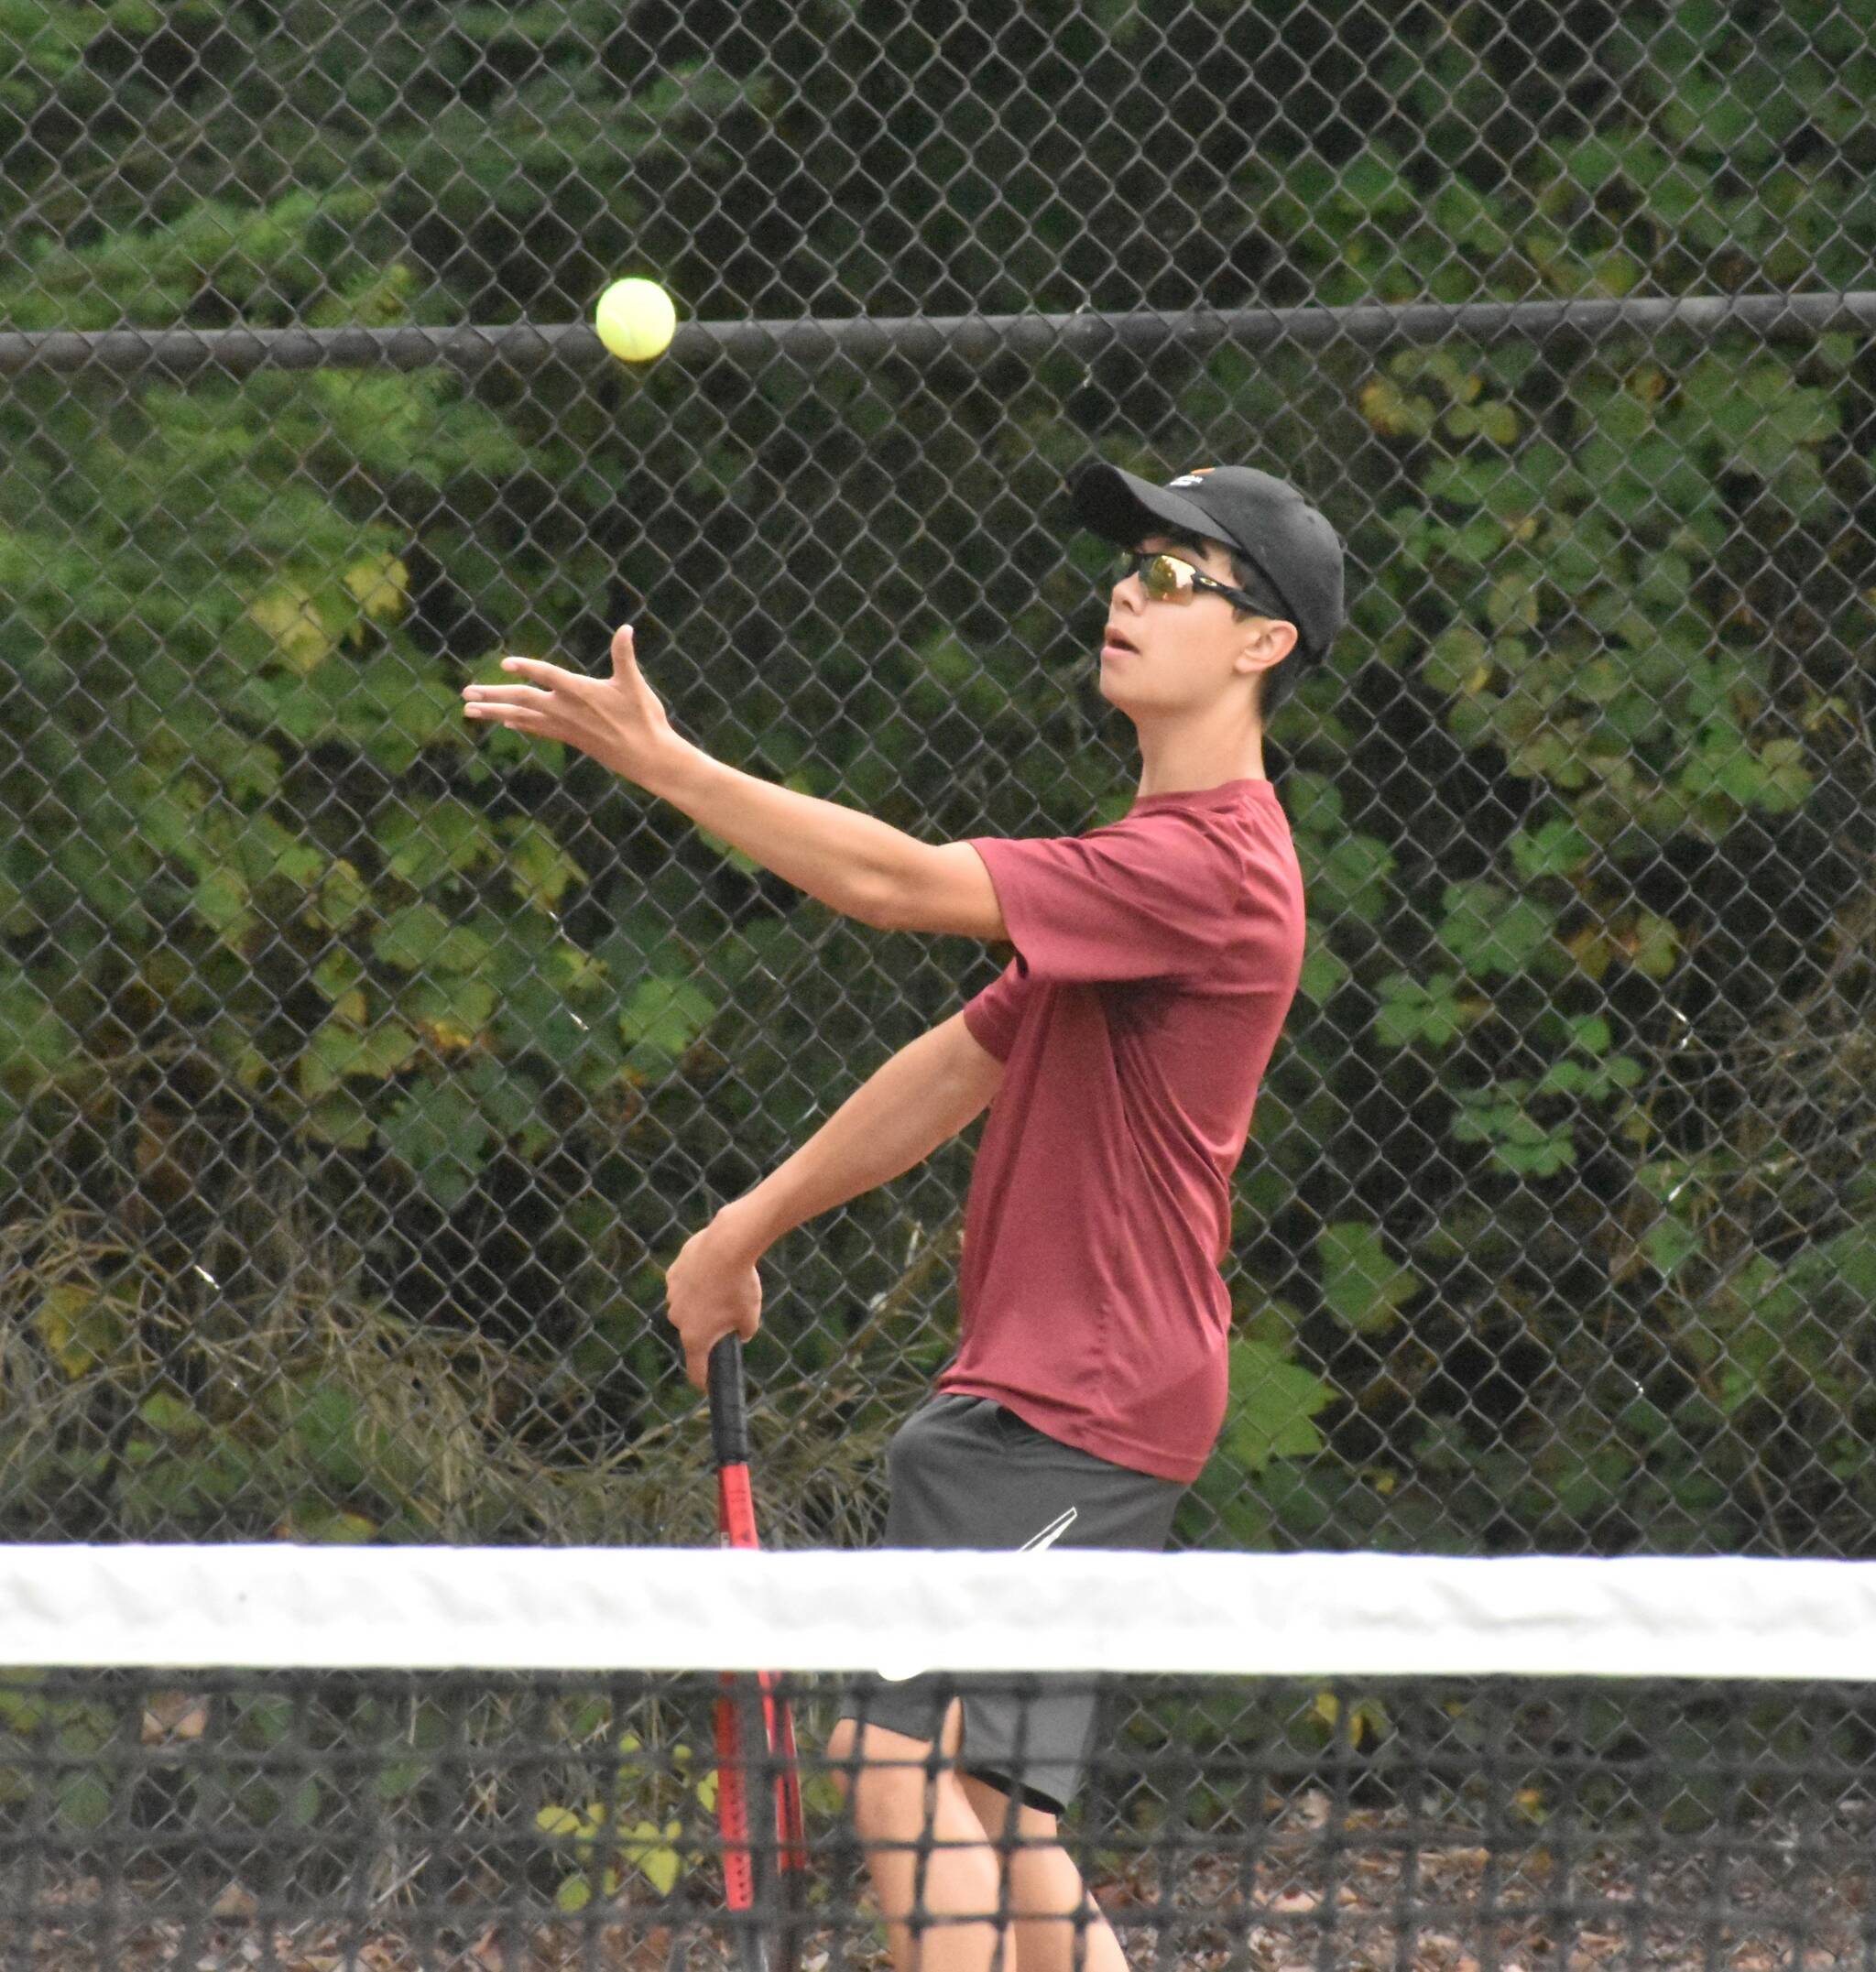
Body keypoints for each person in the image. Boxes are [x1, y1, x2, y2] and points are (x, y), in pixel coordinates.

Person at [461, 457, 1344, 1972]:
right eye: (1131, 563)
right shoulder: (1138, 875)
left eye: (1179, 574)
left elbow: (892, 881)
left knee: (901, 1757)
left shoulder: (1213, 869)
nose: (1129, 591)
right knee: (1002, 1815)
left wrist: (669, 763)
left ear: (1263, 644)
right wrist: (742, 1228)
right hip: (1034, 1392)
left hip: (1093, 1397)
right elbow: (955, 1065)